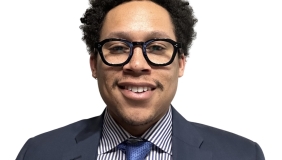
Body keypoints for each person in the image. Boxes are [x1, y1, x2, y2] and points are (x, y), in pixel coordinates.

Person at [16, 0, 265, 159]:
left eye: (157, 48)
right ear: (94, 64)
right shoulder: (39, 152)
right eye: (117, 47)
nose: (136, 64)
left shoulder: (242, 155)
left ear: (180, 63)